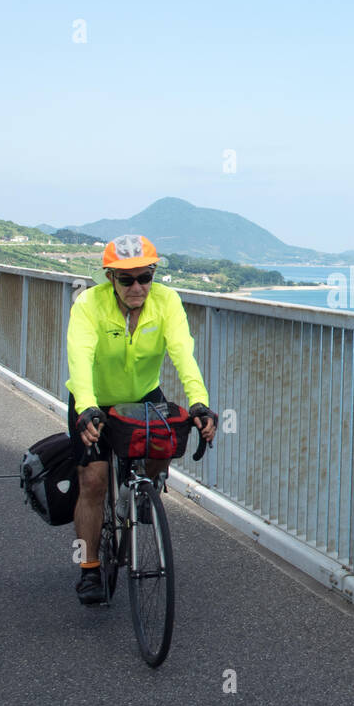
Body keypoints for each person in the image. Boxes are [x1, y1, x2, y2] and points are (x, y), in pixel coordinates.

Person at [66, 233, 218, 604]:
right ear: (110, 279)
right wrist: (86, 406)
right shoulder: (88, 305)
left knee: (168, 438)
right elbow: (80, 357)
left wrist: (199, 402)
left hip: (143, 397)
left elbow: (184, 353)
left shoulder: (167, 302)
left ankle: (143, 492)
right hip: (96, 400)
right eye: (126, 279)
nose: (137, 287)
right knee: (93, 480)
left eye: (145, 277)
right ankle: (89, 568)